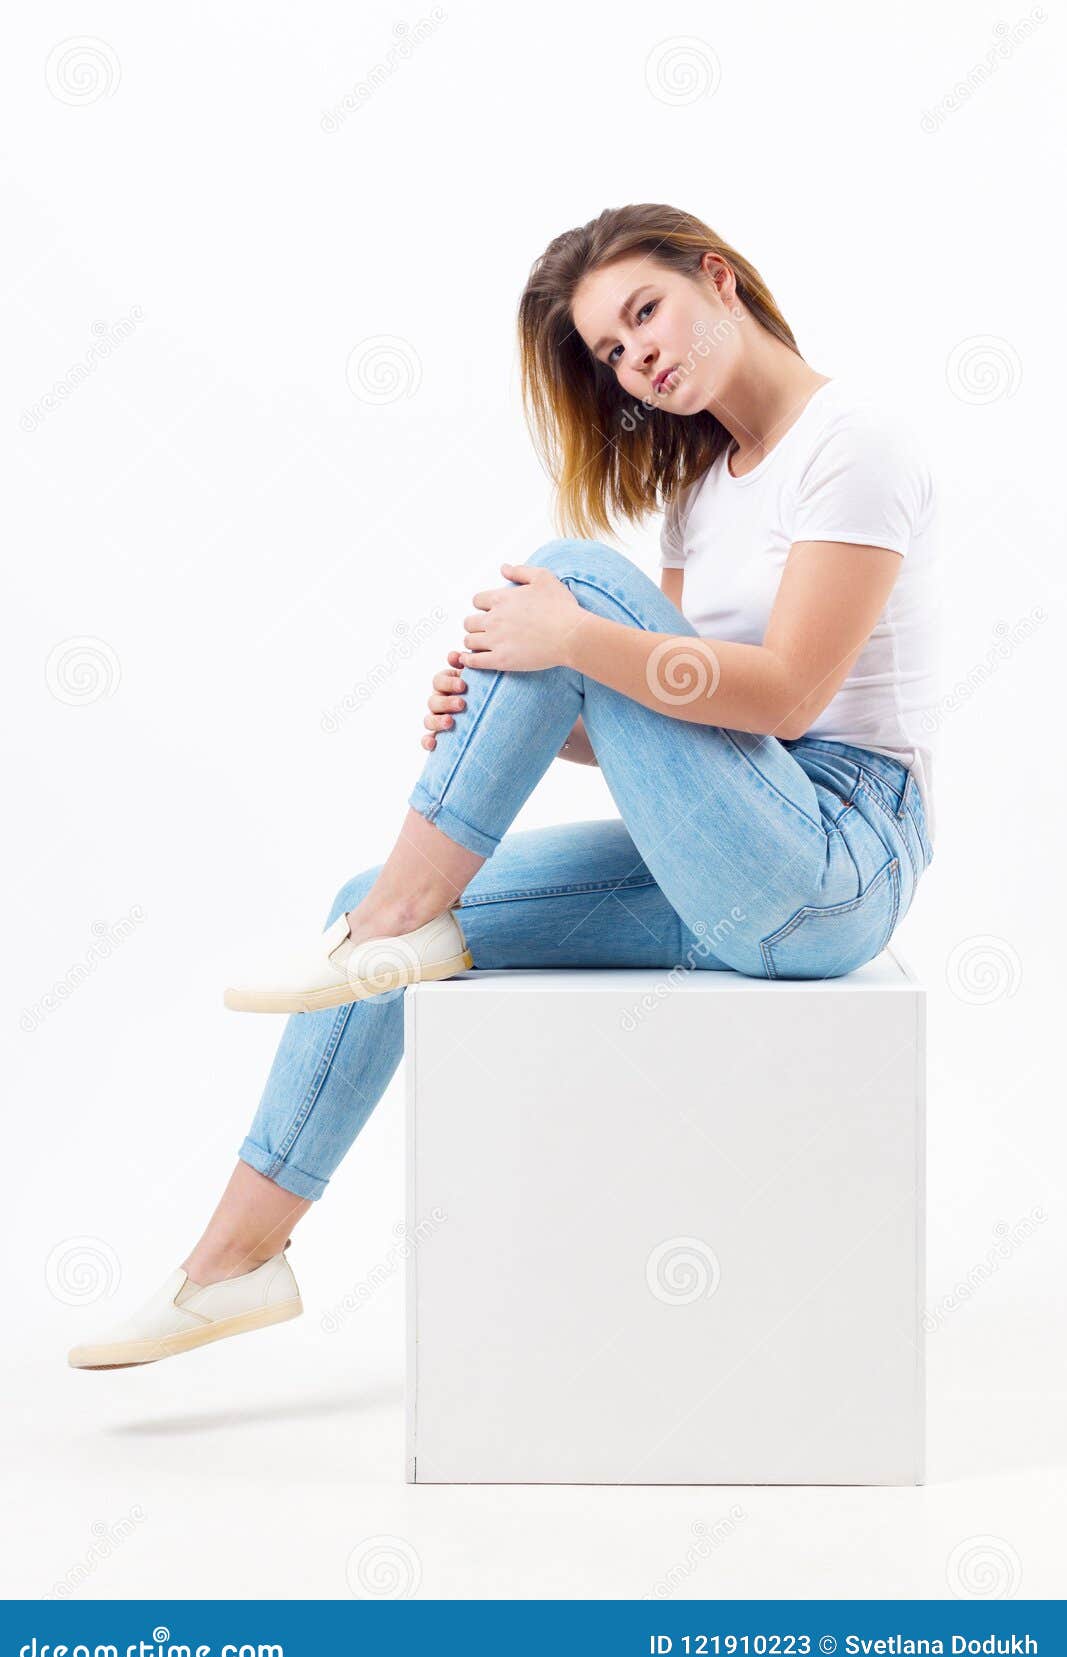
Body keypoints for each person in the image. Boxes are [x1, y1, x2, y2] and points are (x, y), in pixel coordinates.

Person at [68, 203, 939, 1371]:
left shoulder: (852, 440)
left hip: (838, 859)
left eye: (645, 313)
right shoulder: (699, 489)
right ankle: (231, 1265)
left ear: (716, 278)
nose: (641, 359)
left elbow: (779, 696)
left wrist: (567, 641)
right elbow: (683, 707)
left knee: (570, 581)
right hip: (741, 847)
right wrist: (523, 705)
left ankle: (389, 919)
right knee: (373, 891)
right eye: (616, 355)